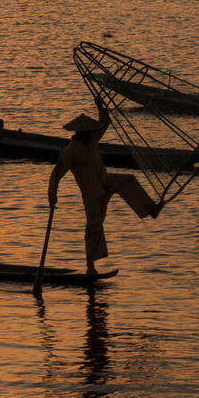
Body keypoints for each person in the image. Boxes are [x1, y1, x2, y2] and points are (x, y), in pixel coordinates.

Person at [48, 100, 159, 278]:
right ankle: (90, 267)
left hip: (106, 181)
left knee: (128, 180)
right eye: (89, 132)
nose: (93, 133)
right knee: (93, 227)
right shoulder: (71, 151)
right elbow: (56, 173)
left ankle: (150, 208)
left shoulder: (92, 140)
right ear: (81, 133)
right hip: (92, 193)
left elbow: (105, 122)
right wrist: (52, 194)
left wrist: (100, 107)